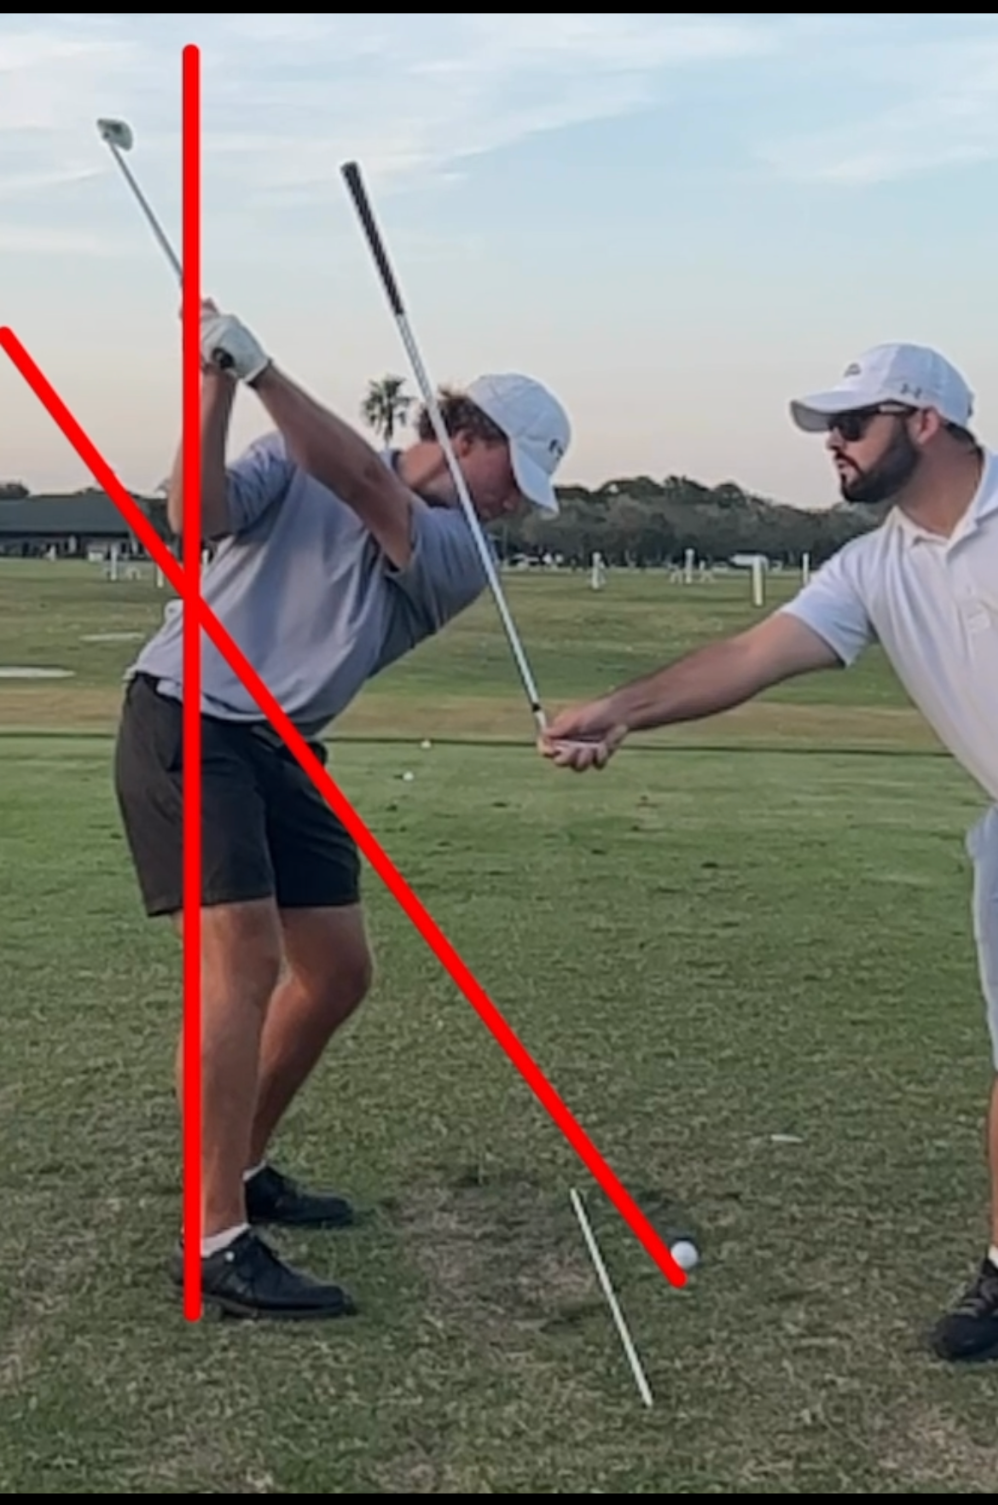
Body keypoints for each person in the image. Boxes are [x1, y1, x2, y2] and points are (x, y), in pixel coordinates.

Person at [540, 342, 998, 1364]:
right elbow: (751, 654)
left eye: (852, 424)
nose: (833, 444)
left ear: (925, 422)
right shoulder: (873, 567)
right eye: (829, 428)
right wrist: (621, 709)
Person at [113, 299, 571, 1320]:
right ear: (468, 437)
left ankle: (239, 1163)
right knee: (244, 960)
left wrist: (263, 368)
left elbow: (365, 483)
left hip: (279, 743)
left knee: (336, 970)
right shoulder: (291, 452)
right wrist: (214, 383)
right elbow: (196, 517)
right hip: (189, 712)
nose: (517, 505)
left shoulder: (462, 555)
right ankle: (215, 1237)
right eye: (514, 477)